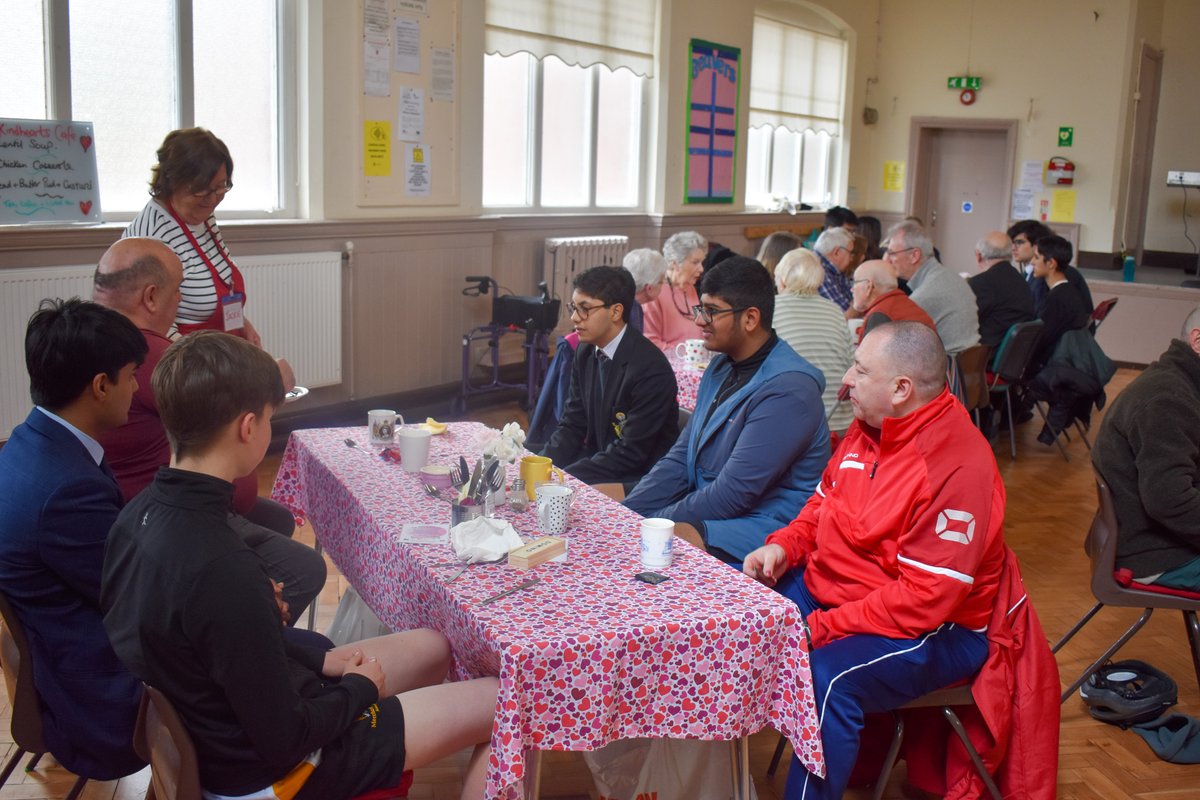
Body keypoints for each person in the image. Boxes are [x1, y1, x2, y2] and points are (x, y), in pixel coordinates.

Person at [102, 331, 498, 800]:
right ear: (248, 427)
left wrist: (317, 657)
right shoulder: (221, 567)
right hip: (273, 770)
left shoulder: (136, 515)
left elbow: (214, 645)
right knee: (506, 700)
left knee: (434, 645)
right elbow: (284, 737)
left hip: (240, 724)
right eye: (271, 417)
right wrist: (358, 689)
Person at [743, 321, 1007, 800]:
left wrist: (819, 629)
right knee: (740, 620)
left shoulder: (958, 465)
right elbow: (822, 503)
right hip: (843, 595)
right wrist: (785, 545)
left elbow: (925, 601)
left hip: (933, 627)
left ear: (901, 389)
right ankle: (714, 781)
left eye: (861, 370)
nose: (846, 378)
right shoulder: (871, 428)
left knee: (827, 676)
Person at [92, 238, 326, 620]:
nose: (181, 300)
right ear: (151, 297)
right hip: (178, 514)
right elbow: (230, 404)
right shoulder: (142, 352)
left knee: (279, 519)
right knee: (304, 567)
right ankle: (249, 629)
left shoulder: (103, 338)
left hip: (159, 504)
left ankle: (245, 606)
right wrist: (272, 378)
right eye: (179, 289)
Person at [0, 299, 149, 780]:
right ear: (100, 386)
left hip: (65, 657)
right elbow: (137, 597)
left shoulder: (28, 443)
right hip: (104, 697)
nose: (137, 386)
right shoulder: (65, 490)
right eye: (131, 374)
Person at [624, 257, 830, 563]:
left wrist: (654, 523)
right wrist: (627, 514)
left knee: (659, 544)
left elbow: (733, 493)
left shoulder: (790, 389)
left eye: (712, 312)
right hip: (718, 509)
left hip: (769, 528)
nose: (699, 321)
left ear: (750, 318)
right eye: (700, 308)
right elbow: (681, 458)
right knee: (629, 526)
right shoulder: (721, 365)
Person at [123, 127, 295, 387]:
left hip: (215, 358)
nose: (214, 199)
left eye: (221, 187)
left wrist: (240, 324)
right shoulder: (152, 234)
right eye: (203, 190)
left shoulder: (201, 217)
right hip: (186, 373)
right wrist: (208, 369)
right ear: (173, 180)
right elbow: (147, 326)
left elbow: (219, 279)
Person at [1092, 306, 1200, 591]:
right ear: (1198, 341)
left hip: (1160, 540)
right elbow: (1169, 500)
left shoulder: (1178, 382)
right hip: (1155, 554)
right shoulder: (1167, 400)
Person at [541, 266, 679, 486]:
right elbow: (572, 423)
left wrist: (564, 478)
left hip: (640, 478)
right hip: (601, 463)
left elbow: (631, 452)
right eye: (573, 308)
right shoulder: (585, 351)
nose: (575, 318)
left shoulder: (650, 369)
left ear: (616, 312)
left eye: (585, 309)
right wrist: (542, 466)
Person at [772, 248, 855, 432]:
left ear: (783, 279)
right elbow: (851, 362)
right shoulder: (835, 311)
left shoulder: (772, 308)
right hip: (841, 421)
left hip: (796, 424)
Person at [885, 220, 980, 354]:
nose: (888, 260)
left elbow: (893, 344)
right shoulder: (950, 277)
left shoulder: (924, 295)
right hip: (966, 367)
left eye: (892, 253)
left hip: (946, 369)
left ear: (914, 255)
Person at [1008, 220, 1094, 315]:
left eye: (1019, 242)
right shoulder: (1031, 272)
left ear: (1037, 244)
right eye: (1012, 242)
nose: (1013, 248)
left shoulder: (1049, 274)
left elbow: (1039, 316)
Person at [967, 230, 1035, 349]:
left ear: (979, 256)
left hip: (983, 356)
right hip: (1009, 355)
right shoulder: (1021, 281)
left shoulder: (982, 283)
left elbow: (962, 320)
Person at [643, 230, 707, 351]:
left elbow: (704, 324)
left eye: (702, 262)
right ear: (674, 264)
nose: (702, 268)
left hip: (697, 361)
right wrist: (683, 355)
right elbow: (650, 341)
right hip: (671, 363)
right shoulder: (655, 292)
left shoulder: (691, 288)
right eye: (695, 262)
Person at [849, 259, 935, 344]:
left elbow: (868, 357)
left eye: (855, 282)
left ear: (869, 286)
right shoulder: (905, 304)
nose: (851, 289)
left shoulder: (880, 315)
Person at [621, 247, 668, 333]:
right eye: (661, 282)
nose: (701, 269)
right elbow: (636, 343)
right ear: (649, 288)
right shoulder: (634, 309)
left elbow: (699, 318)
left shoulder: (692, 290)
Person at [811, 227, 855, 312]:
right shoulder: (819, 270)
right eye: (851, 253)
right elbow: (842, 313)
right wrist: (860, 304)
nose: (851, 258)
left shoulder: (834, 269)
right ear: (836, 252)